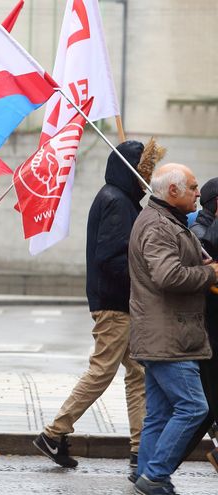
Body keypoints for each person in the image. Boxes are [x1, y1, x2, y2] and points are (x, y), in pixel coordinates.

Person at [34, 141, 147, 469]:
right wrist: (142, 280)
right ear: (131, 170)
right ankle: (53, 434)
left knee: (137, 372)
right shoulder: (116, 201)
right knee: (103, 370)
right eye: (143, 171)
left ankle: (140, 450)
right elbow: (110, 257)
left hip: (119, 303)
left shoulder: (121, 199)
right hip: (115, 303)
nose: (147, 178)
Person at [128, 164, 218, 495]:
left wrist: (201, 264)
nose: (199, 193)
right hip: (168, 335)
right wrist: (210, 275)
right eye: (193, 187)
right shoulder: (157, 226)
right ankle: (155, 475)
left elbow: (175, 265)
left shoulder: (166, 221)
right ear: (174, 192)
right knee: (194, 407)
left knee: (160, 413)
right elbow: (167, 276)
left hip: (164, 334)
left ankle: (147, 479)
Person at [180, 177, 218, 470]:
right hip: (208, 331)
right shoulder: (199, 230)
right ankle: (158, 465)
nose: (193, 194)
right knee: (204, 406)